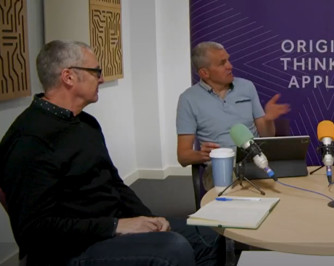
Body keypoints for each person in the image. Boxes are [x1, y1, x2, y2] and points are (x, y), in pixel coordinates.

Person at [0, 40, 225, 265]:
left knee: (208, 233)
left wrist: (149, 218)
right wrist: (116, 227)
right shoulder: (29, 140)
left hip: (110, 225)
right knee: (173, 249)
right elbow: (33, 231)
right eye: (96, 72)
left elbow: (115, 184)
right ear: (68, 77)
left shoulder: (87, 124)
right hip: (71, 248)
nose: (102, 79)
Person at [176, 41, 290, 167]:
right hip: (220, 168)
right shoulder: (188, 99)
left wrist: (268, 120)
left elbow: (267, 136)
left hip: (255, 163)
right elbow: (183, 156)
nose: (230, 66)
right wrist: (202, 155)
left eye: (228, 60)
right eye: (222, 63)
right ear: (204, 73)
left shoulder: (247, 87)